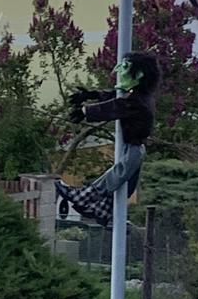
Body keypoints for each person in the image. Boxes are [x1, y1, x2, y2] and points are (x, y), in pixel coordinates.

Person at [56, 52, 160, 227]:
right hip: (132, 146)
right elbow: (115, 97)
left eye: (126, 68)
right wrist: (92, 95)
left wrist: (85, 111)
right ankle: (102, 210)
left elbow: (115, 106)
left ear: (139, 75)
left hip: (133, 147)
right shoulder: (139, 97)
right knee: (124, 182)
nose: (120, 72)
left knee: (118, 174)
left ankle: (88, 195)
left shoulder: (137, 101)